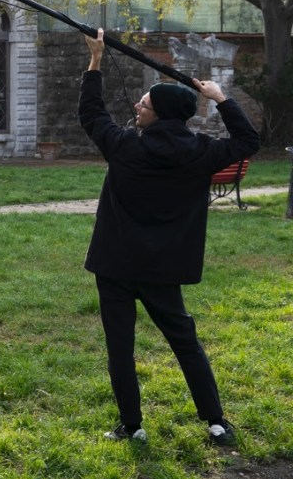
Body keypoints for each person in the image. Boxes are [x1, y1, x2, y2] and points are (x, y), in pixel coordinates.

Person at [80, 29, 260, 445]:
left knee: (120, 348)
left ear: (159, 113)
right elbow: (248, 140)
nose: (137, 104)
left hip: (115, 265)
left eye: (145, 102)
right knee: (186, 344)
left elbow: (91, 115)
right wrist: (221, 98)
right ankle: (215, 421)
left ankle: (132, 426)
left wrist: (95, 62)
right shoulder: (202, 153)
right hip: (164, 269)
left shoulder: (125, 146)